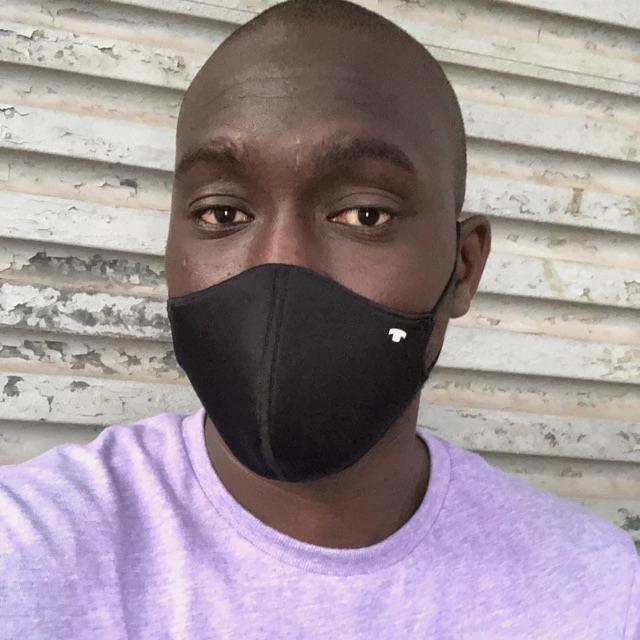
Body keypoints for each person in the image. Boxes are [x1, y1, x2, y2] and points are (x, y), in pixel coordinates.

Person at [1, 1, 638, 638]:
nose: (281, 266)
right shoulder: (27, 550)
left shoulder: (599, 591)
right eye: (222, 214)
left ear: (464, 267)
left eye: (365, 215)